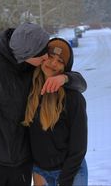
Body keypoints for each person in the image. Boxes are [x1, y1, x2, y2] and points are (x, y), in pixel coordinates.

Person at [0, 22, 87, 186]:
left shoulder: (31, 67)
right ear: (28, 53)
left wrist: (66, 77)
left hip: (22, 163)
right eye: (44, 54)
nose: (47, 58)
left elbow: (79, 83)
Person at [23, 38, 88, 186]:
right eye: (51, 57)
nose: (53, 63)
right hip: (40, 172)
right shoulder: (28, 91)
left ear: (66, 67)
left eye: (60, 61)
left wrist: (65, 180)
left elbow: (79, 146)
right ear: (42, 58)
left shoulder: (73, 98)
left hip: (71, 172)